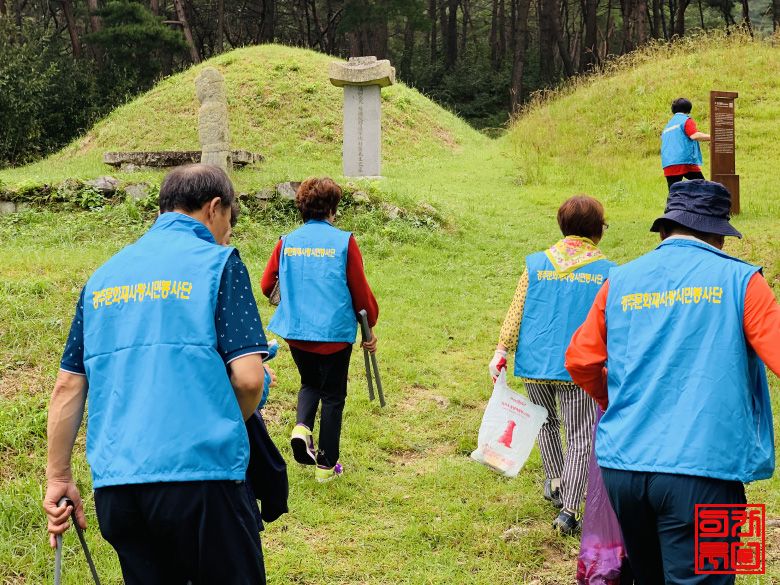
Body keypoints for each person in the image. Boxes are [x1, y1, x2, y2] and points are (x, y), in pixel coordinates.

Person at [43, 164, 271, 584]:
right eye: (230, 224)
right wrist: (219, 421)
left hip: (119, 487)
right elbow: (249, 378)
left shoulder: (102, 279)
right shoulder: (219, 264)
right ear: (214, 209)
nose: (228, 235)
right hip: (203, 480)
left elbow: (68, 385)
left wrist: (58, 476)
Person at [566, 180, 780, 584]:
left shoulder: (620, 281)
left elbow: (580, 359)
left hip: (623, 469)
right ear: (718, 235)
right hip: (707, 474)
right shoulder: (743, 281)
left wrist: (611, 401)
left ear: (665, 230)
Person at [488, 195, 615, 535]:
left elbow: (516, 310)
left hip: (534, 361)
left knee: (544, 423)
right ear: (596, 231)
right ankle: (570, 509)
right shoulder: (608, 272)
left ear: (562, 225)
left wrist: (501, 350)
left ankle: (556, 480)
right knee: (580, 436)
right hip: (579, 367)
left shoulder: (536, 263)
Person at [261, 177, 379, 483]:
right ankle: (326, 467)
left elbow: (265, 285)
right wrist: (370, 324)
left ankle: (302, 427)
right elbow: (360, 291)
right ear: (333, 208)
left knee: (309, 382)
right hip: (334, 335)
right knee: (333, 396)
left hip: (297, 331)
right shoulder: (344, 242)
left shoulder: (286, 241)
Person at [661, 97, 711, 188]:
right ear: (689, 109)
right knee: (702, 187)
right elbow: (694, 135)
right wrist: (713, 137)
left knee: (673, 192)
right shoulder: (685, 120)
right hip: (684, 161)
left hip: (668, 162)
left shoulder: (668, 125)